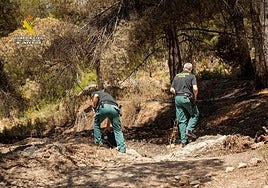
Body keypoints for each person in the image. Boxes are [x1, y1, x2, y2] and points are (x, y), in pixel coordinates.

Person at [170, 63, 199, 147]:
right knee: (195, 114)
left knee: (182, 120)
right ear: (191, 69)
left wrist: (178, 94)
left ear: (183, 68)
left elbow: (171, 89)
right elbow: (195, 88)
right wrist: (195, 97)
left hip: (177, 99)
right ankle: (189, 131)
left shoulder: (177, 76)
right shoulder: (191, 76)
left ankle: (183, 142)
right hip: (187, 98)